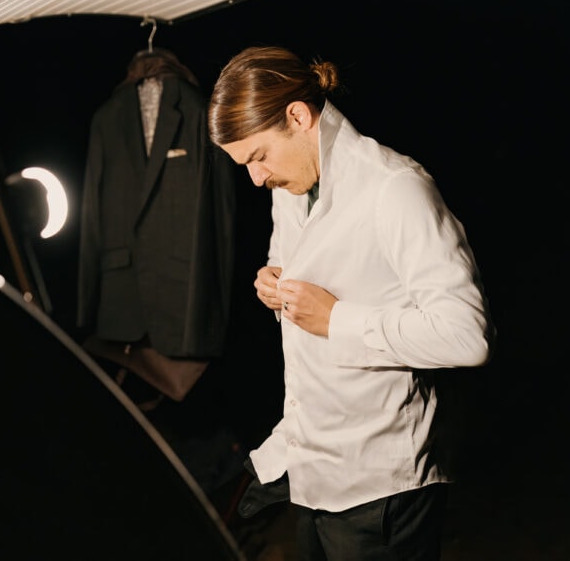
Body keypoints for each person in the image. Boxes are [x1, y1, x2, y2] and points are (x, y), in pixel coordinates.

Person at [207, 46, 494, 560]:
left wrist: (336, 319)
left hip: (383, 491)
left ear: (297, 116)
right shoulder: (291, 186)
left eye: (258, 157)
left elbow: (466, 335)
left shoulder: (396, 189)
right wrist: (274, 286)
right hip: (315, 477)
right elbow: (302, 276)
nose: (255, 178)